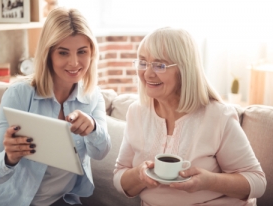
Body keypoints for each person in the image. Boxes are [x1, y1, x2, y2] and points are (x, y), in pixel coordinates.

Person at [113, 27, 266, 206]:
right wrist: (139, 175)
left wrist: (208, 182)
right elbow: (119, 177)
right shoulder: (136, 112)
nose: (147, 73)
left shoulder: (218, 116)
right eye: (143, 62)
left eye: (159, 65)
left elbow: (257, 183)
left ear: (184, 69)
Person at [0, 7, 111, 206]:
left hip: (62, 200)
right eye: (63, 53)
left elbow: (100, 152)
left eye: (82, 51)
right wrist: (9, 158)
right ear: (48, 54)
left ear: (92, 53)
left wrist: (92, 127)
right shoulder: (19, 94)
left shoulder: (92, 96)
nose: (74, 62)